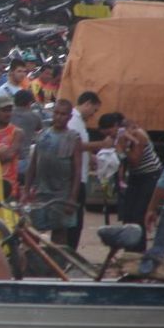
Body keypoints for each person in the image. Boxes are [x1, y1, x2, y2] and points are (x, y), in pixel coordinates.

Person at [100, 113, 162, 252]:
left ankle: (137, 254)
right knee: (127, 215)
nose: (111, 137)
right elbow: (121, 163)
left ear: (117, 127)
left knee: (137, 216)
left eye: (111, 133)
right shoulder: (121, 137)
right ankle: (130, 252)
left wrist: (123, 148)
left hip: (149, 176)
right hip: (136, 177)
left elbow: (135, 161)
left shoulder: (138, 135)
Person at [24, 100, 82, 246]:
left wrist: (72, 198)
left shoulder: (73, 138)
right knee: (33, 233)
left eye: (63, 114)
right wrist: (26, 190)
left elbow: (77, 172)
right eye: (56, 113)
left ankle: (57, 266)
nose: (59, 117)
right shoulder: (43, 135)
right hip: (41, 193)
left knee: (59, 236)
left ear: (69, 117)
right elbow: (33, 165)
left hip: (61, 195)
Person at [66, 91, 104, 250]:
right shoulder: (74, 121)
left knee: (77, 221)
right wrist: (101, 144)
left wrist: (91, 158)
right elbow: (76, 145)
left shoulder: (80, 122)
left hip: (80, 175)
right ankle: (69, 253)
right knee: (74, 222)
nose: (94, 114)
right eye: (94, 110)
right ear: (87, 103)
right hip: (74, 178)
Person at [0, 96, 23, 198]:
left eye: (9, 110)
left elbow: (9, 156)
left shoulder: (17, 132)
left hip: (10, 187)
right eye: (4, 110)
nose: (8, 114)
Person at [10, 89, 42, 186]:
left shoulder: (7, 114)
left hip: (8, 162)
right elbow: (39, 128)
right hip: (24, 162)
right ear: (29, 103)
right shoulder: (34, 116)